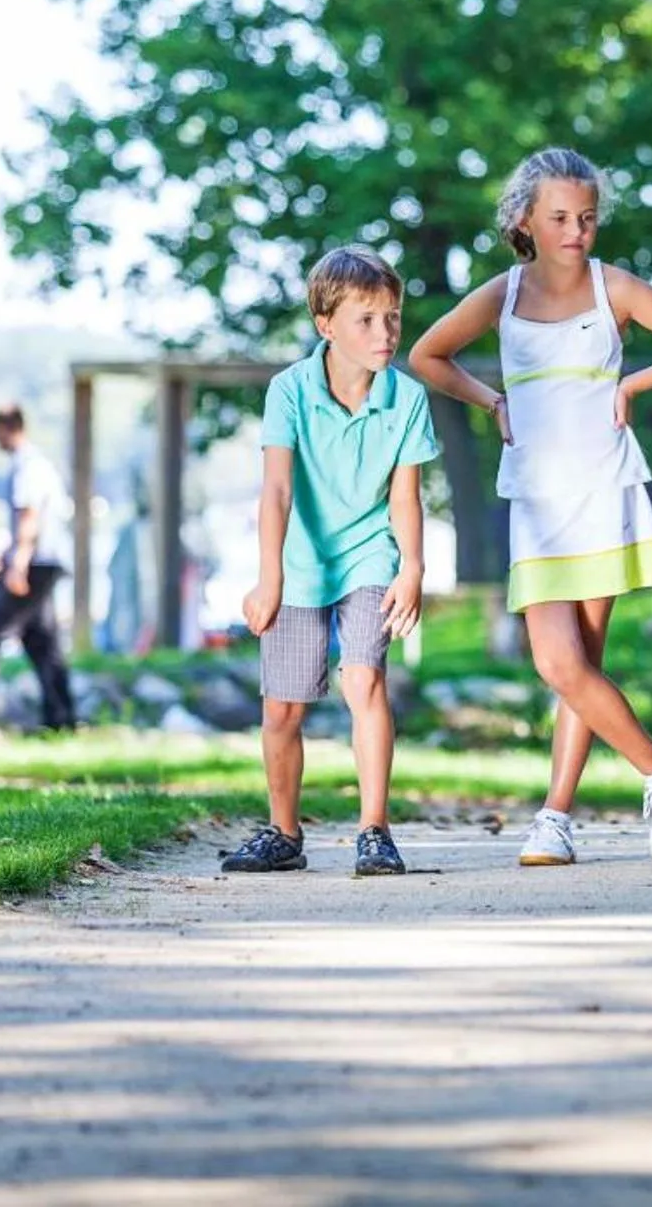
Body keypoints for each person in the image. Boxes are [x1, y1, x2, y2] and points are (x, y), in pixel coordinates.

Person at [409, 148, 652, 866]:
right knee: (559, 664)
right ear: (526, 219)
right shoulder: (503, 293)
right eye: (559, 218)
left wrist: (635, 385)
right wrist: (491, 399)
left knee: (582, 663)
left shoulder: (616, 288)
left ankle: (555, 817)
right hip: (537, 500)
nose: (576, 230)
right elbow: (428, 355)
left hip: (603, 491)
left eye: (586, 217)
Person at [223, 245, 439, 877]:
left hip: (370, 554)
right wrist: (270, 578)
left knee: (364, 680)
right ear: (326, 325)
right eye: (366, 320)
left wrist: (413, 568)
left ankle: (374, 830)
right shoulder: (288, 390)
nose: (385, 333)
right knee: (282, 710)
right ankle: (284, 833)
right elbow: (278, 491)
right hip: (300, 561)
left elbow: (405, 496)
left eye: (393, 317)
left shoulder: (406, 398)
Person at [0, 404, 79, 735]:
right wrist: (5, 555)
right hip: (45, 561)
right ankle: (61, 717)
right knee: (41, 641)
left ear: (6, 428)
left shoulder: (27, 467)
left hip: (34, 563)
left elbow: (29, 517)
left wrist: (17, 563)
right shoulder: (38, 464)